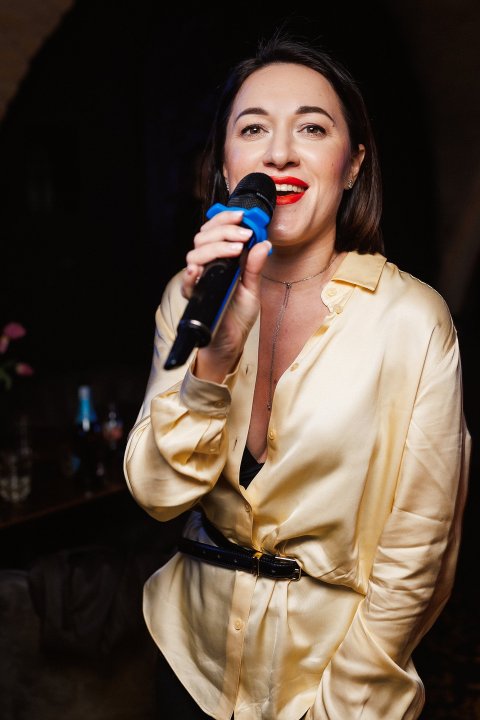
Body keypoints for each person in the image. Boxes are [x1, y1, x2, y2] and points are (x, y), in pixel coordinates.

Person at [124, 34, 471, 720]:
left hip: (329, 690)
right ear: (226, 165)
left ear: (353, 164)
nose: (279, 152)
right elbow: (159, 495)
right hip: (188, 662)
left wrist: (343, 704)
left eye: (312, 128)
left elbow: (418, 554)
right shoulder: (188, 296)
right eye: (253, 129)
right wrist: (213, 363)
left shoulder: (412, 320)